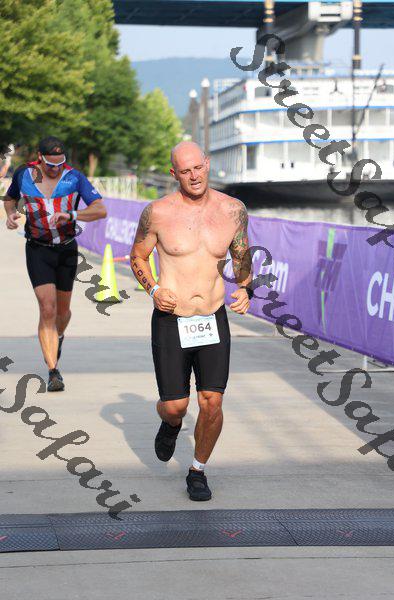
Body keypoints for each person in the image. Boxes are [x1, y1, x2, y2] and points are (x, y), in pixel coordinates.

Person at [130, 141, 253, 501]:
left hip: (213, 316)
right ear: (174, 174)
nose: (194, 176)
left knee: (212, 401)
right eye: (185, 171)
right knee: (176, 406)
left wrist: (245, 288)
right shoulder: (157, 212)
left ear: (207, 164)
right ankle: (170, 425)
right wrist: (154, 290)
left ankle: (197, 470)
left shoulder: (233, 210)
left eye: (198, 167)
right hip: (172, 318)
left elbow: (241, 256)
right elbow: (138, 255)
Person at [3, 136, 107, 391]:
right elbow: (9, 198)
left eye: (60, 163)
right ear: (40, 158)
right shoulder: (24, 174)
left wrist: (72, 214)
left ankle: (58, 335)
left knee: (62, 312)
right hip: (38, 249)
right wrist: (11, 215)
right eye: (51, 165)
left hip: (66, 249)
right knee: (47, 309)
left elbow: (100, 209)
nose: (55, 169)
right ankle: (53, 371)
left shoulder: (74, 177)